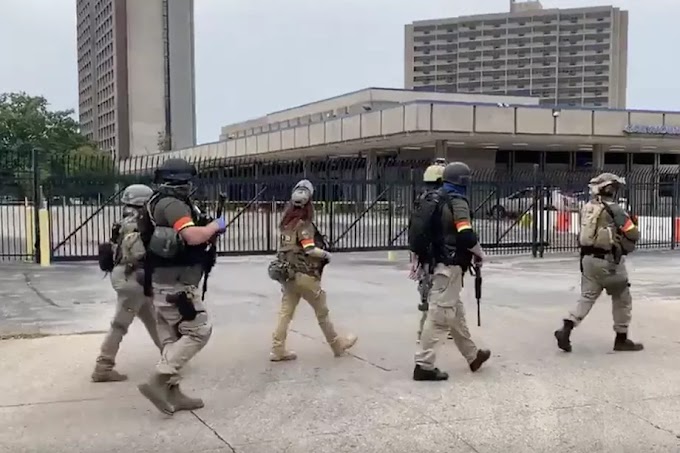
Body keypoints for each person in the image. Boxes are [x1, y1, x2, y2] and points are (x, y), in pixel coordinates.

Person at [136, 158, 227, 415]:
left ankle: (173, 393)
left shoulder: (156, 201)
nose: (191, 186)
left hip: (161, 281)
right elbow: (191, 236)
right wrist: (214, 226)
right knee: (199, 330)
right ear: (180, 181)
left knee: (172, 338)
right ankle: (157, 380)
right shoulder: (173, 204)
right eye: (188, 181)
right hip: (175, 284)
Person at [411, 161, 491, 381]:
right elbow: (466, 235)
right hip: (450, 265)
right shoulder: (457, 201)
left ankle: (472, 356)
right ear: (464, 182)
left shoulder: (434, 198)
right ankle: (424, 365)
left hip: (436, 263)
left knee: (454, 313)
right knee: (439, 315)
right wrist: (480, 253)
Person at [267, 179, 357, 361]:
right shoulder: (303, 224)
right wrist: (326, 255)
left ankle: (277, 348)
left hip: (288, 275)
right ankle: (337, 345)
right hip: (306, 276)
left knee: (285, 313)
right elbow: (309, 249)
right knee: (322, 312)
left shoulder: (286, 223)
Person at [554, 172, 642, 353]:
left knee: (587, 296)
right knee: (622, 297)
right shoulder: (615, 209)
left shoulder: (587, 207)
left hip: (588, 260)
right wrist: (632, 226)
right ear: (610, 189)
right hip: (609, 263)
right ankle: (621, 338)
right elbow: (632, 233)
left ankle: (567, 327)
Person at [91, 184, 162, 383]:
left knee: (153, 319)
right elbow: (141, 254)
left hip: (124, 276)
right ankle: (103, 366)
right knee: (120, 324)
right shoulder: (139, 224)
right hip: (133, 278)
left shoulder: (122, 223)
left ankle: (171, 358)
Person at [409, 160, 454, 343]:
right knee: (444, 295)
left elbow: (413, 229)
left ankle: (423, 330)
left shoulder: (421, 199)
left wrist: (414, 257)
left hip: (422, 256)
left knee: (426, 294)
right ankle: (433, 331)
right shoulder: (444, 202)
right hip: (440, 255)